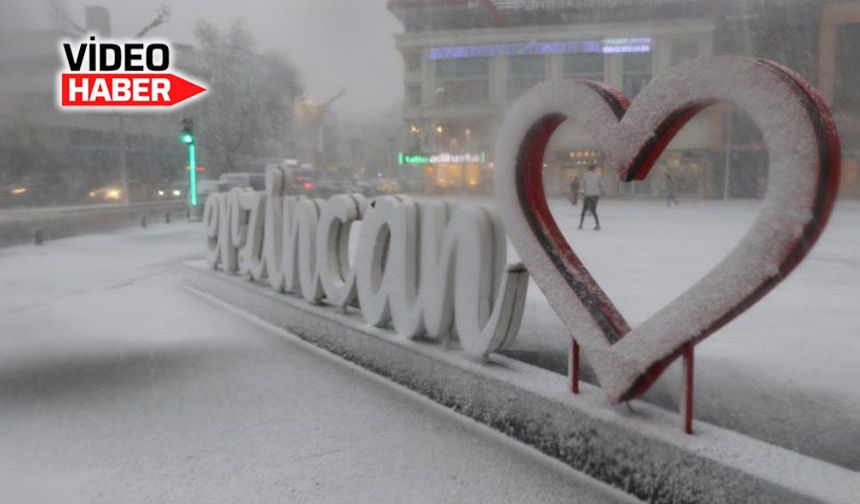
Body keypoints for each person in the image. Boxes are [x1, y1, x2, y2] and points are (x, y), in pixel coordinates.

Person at [579, 164, 601, 230]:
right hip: (595, 195)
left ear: (588, 169)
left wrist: (582, 191)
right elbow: (601, 184)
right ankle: (597, 224)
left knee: (584, 210)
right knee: (594, 210)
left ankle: (581, 224)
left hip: (588, 194)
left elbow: (582, 184)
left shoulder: (585, 175)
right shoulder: (597, 175)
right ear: (594, 169)